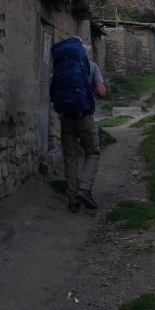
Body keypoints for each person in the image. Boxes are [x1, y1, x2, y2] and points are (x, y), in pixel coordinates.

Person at [53, 38, 107, 213]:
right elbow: (101, 92)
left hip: (65, 117)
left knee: (70, 157)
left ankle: (73, 199)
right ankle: (84, 189)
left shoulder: (60, 67)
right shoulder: (91, 66)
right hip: (84, 116)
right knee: (92, 152)